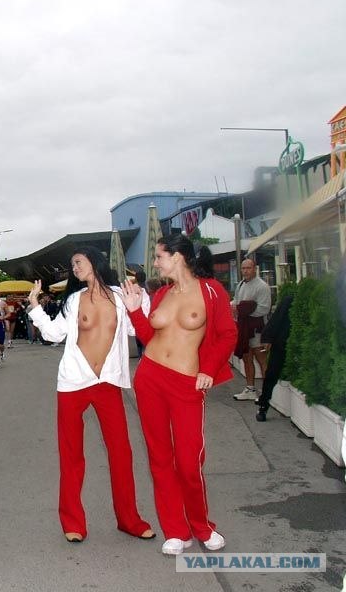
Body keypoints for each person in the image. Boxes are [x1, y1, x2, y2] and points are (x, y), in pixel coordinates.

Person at [27, 247, 154, 544]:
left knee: (121, 452)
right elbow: (54, 334)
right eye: (72, 264)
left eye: (78, 262)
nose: (74, 268)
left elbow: (140, 328)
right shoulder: (74, 299)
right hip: (73, 382)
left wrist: (139, 302)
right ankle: (72, 522)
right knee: (71, 455)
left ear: (95, 262)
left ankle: (129, 519)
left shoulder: (121, 295)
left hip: (107, 381)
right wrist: (34, 306)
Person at [122, 233, 236, 555]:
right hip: (150, 378)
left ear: (178, 257)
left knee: (189, 461)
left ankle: (201, 526)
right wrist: (135, 311)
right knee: (159, 458)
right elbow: (149, 337)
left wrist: (208, 369)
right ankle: (175, 530)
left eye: (159, 256)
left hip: (186, 383)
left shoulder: (211, 291)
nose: (155, 263)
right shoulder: (161, 294)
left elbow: (228, 334)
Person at [231, 258, 271, 401]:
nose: (245, 271)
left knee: (261, 360)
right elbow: (236, 301)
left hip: (257, 329)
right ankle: (250, 389)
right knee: (247, 358)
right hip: (244, 328)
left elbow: (264, 308)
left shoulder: (262, 286)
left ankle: (267, 392)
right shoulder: (241, 284)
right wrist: (234, 307)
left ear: (255, 269)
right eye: (243, 268)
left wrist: (243, 310)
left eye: (248, 268)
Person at [255, 293, 294, 422]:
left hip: (300, 343)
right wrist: (267, 338)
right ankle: (263, 405)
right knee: (272, 374)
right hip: (281, 342)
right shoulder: (290, 299)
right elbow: (276, 319)